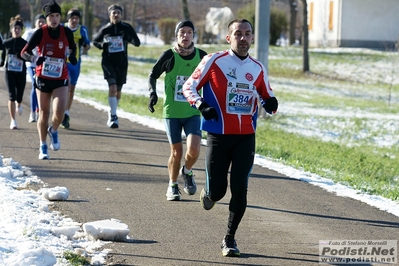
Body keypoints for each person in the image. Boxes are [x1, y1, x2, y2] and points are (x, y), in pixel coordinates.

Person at [182, 19, 278, 257]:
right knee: (218, 191)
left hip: (246, 137)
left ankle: (229, 238)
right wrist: (201, 104)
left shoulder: (258, 68)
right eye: (238, 34)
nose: (243, 38)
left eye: (247, 34)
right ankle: (209, 194)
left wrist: (272, 104)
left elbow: (268, 98)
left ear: (252, 38)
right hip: (218, 135)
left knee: (240, 188)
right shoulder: (214, 61)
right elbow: (188, 87)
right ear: (229, 38)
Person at [148, 20, 207, 201]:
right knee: (177, 152)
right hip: (172, 113)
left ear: (193, 35)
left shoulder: (202, 57)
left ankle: (187, 172)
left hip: (193, 112)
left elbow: (214, 78)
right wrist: (153, 94)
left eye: (189, 32)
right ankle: (172, 186)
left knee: (194, 149)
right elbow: (153, 74)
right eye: (182, 32)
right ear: (177, 35)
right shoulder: (169, 55)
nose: (185, 35)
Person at [21, 0, 77, 159]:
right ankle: (43, 145)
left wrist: (72, 56)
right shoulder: (40, 32)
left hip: (60, 76)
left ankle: (53, 130)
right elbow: (24, 52)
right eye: (51, 16)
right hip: (43, 77)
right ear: (46, 18)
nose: (54, 19)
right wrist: (33, 59)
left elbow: (73, 47)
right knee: (44, 114)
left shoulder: (66, 32)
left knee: (59, 112)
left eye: (57, 15)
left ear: (60, 17)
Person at [92, 4, 141, 128]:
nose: (116, 15)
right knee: (112, 88)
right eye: (114, 13)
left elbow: (137, 43)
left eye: (118, 13)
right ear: (110, 15)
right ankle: (113, 116)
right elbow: (95, 41)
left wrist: (128, 38)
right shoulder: (105, 29)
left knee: (118, 91)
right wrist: (103, 45)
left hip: (122, 64)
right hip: (108, 62)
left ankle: (112, 110)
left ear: (121, 15)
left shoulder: (126, 27)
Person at [61, 8, 91, 129]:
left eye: (77, 18)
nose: (74, 20)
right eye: (72, 18)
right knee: (65, 85)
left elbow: (88, 47)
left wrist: (84, 43)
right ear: (68, 19)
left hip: (75, 63)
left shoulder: (82, 29)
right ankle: (61, 111)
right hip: (63, 62)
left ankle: (66, 113)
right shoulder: (62, 27)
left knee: (71, 89)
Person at [0, 15, 28, 130]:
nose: (16, 30)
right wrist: (2, 61)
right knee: (12, 95)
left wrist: (23, 57)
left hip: (21, 71)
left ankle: (19, 103)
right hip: (9, 71)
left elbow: (29, 56)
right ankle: (13, 120)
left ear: (21, 30)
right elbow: (3, 53)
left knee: (19, 95)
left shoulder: (25, 43)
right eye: (14, 28)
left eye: (19, 28)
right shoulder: (7, 42)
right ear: (11, 30)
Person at [22, 14, 46, 123]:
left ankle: (38, 110)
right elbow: (22, 47)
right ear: (35, 22)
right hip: (31, 64)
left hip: (43, 64)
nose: (41, 23)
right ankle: (32, 112)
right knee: (34, 84)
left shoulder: (46, 33)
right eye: (39, 21)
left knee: (41, 87)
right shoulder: (29, 33)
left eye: (43, 21)